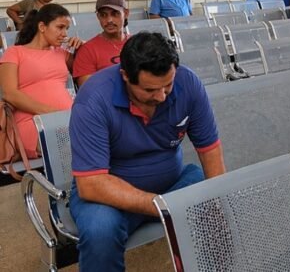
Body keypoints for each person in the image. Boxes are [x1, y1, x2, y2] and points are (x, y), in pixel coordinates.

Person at [68, 32, 226, 271]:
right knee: (100, 232)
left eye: (168, 86)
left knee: (216, 204)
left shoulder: (188, 84)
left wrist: (218, 199)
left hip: (173, 185)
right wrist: (161, 206)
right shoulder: (94, 100)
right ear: (125, 76)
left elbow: (210, 149)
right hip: (110, 197)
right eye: (150, 90)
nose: (161, 96)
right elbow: (91, 183)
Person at [0, 4, 83, 158]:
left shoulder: (62, 53)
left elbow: (86, 71)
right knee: (75, 145)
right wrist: (54, 114)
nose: (64, 34)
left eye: (67, 29)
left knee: (98, 135)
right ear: (42, 27)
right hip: (33, 123)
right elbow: (9, 94)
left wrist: (82, 48)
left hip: (66, 121)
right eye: (60, 27)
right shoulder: (15, 52)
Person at [72, 0, 130, 87]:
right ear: (98, 17)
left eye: (115, 13)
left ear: (126, 13)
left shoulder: (138, 44)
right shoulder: (87, 50)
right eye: (103, 15)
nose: (109, 20)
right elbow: (88, 92)